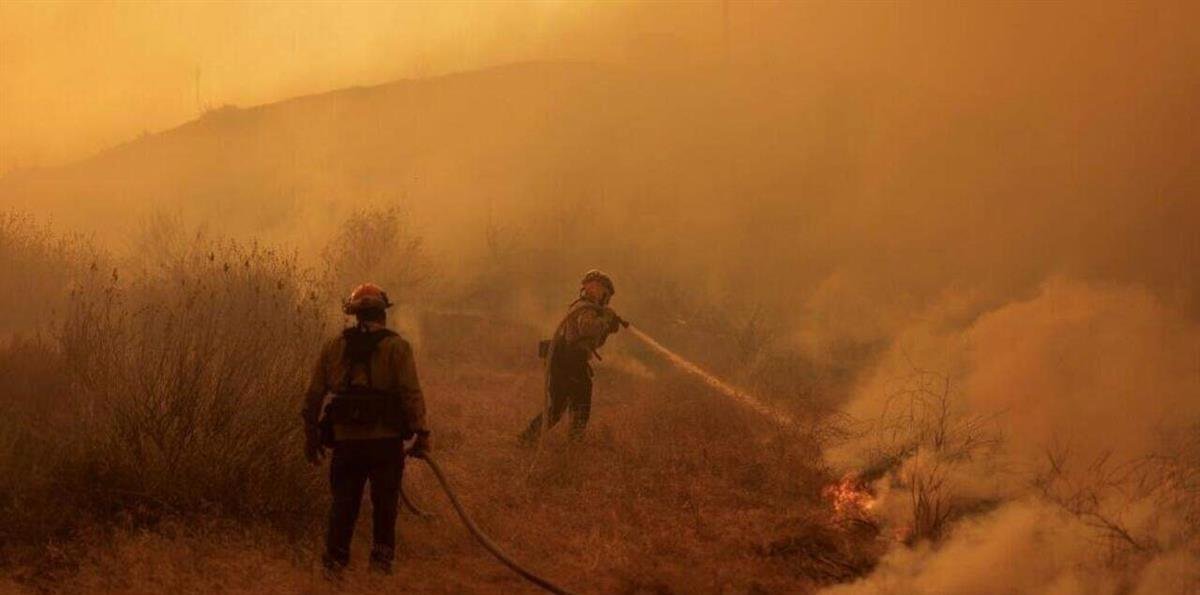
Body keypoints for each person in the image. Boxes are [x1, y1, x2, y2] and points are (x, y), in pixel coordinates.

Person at [301, 283, 430, 576]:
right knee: (385, 505)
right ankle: (381, 564)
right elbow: (411, 393)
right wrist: (422, 434)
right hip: (386, 443)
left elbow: (313, 395)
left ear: (354, 314)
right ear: (382, 313)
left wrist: (311, 436)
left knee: (343, 504)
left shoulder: (334, 346)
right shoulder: (398, 347)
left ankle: (334, 565)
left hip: (346, 443)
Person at [519, 269, 624, 444]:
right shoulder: (584, 307)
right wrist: (606, 320)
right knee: (579, 406)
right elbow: (586, 328)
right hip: (570, 362)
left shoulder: (588, 309)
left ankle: (528, 438)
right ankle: (570, 445)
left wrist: (607, 329)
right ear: (595, 287)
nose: (607, 299)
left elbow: (591, 341)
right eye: (606, 292)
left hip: (568, 362)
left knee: (560, 407)